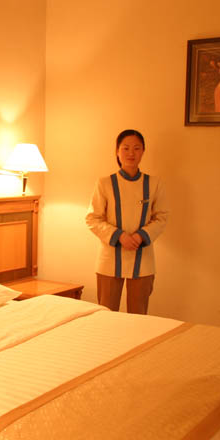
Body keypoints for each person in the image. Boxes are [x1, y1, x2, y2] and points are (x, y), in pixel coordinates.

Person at [85, 129, 168, 314]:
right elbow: (93, 218)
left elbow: (162, 217)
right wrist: (119, 236)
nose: (131, 153)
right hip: (109, 259)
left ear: (143, 151)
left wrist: (141, 236)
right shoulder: (104, 183)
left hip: (142, 258)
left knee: (139, 316)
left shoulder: (154, 183)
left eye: (137, 148)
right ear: (117, 151)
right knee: (106, 314)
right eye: (126, 148)